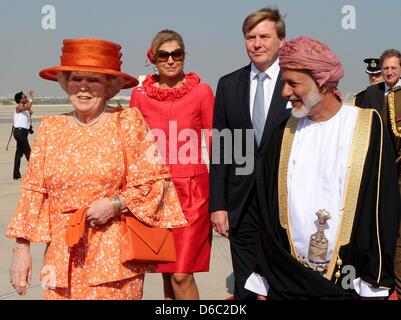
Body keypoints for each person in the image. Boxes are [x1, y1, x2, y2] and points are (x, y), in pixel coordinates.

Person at [7, 38, 187, 300]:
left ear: (110, 87)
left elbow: (154, 183)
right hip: (61, 260)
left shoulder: (127, 123)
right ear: (66, 82)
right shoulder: (50, 128)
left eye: (93, 80)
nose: (83, 88)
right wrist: (21, 250)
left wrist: (115, 204)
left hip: (115, 262)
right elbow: (34, 191)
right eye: (76, 79)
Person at [247, 36, 401, 300]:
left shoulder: (365, 126)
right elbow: (267, 215)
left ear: (322, 83)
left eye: (293, 83)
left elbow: (379, 210)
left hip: (346, 283)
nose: (285, 92)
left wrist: (374, 283)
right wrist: (263, 281)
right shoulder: (282, 132)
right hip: (287, 282)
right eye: (284, 82)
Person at [209, 7, 290, 300]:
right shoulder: (229, 85)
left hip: (284, 204)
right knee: (245, 285)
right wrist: (218, 205)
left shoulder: (296, 83)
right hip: (240, 205)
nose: (256, 43)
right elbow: (221, 150)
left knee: (281, 283)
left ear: (281, 40)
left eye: (264, 36)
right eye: (250, 37)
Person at [130, 30, 214, 300]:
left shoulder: (202, 92)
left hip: (192, 193)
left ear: (183, 56)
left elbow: (217, 144)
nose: (170, 60)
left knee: (181, 272)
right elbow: (133, 147)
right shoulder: (140, 95)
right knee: (167, 270)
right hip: (156, 193)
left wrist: (224, 199)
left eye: (176, 53)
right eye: (163, 54)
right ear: (153, 59)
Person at [12, 90, 34, 180]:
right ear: (20, 100)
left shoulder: (25, 109)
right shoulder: (19, 107)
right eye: (24, 96)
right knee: (28, 152)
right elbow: (28, 107)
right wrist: (30, 99)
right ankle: (35, 173)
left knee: (19, 153)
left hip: (23, 133)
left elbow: (30, 111)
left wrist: (29, 110)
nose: (25, 98)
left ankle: (16, 175)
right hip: (19, 132)